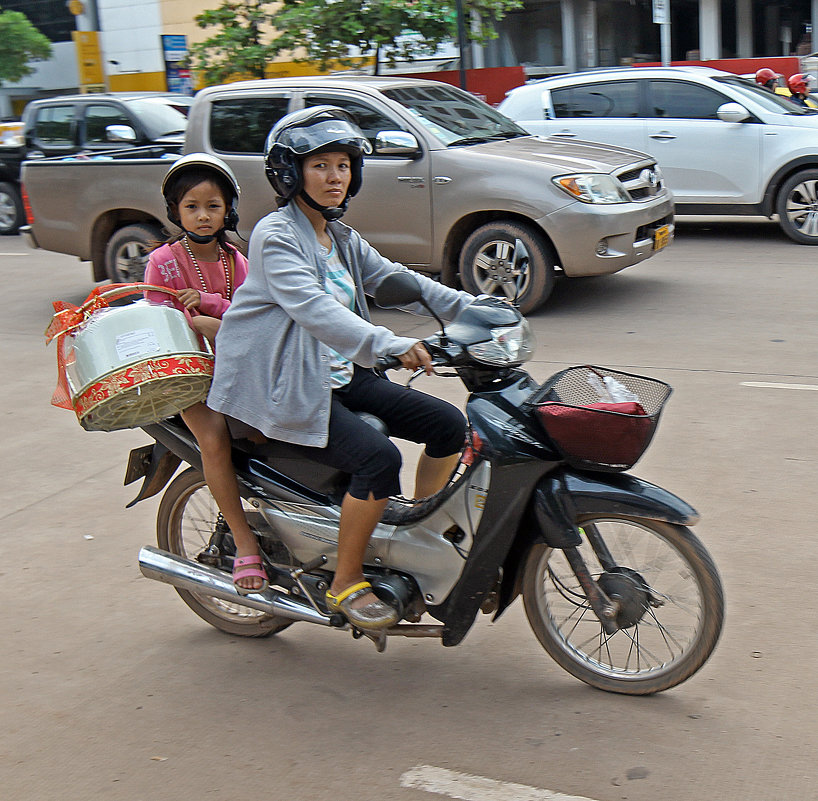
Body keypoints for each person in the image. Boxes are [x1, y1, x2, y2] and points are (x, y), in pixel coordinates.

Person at [207, 107, 475, 631]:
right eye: (321, 166)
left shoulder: (341, 237)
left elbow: (400, 281)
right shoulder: (276, 235)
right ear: (291, 174)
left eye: (344, 165)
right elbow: (314, 309)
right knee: (376, 459)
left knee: (447, 424)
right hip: (286, 385)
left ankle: (414, 537)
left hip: (336, 375)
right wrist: (390, 343)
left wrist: (473, 309)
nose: (336, 177)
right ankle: (344, 581)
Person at [144, 153, 268, 596]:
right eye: (191, 206)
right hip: (187, 375)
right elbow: (160, 325)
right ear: (175, 211)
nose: (202, 215)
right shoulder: (163, 261)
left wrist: (213, 306)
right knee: (213, 437)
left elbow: (256, 318)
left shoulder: (240, 261)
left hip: (238, 367)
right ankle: (245, 539)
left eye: (212, 205)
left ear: (228, 209)